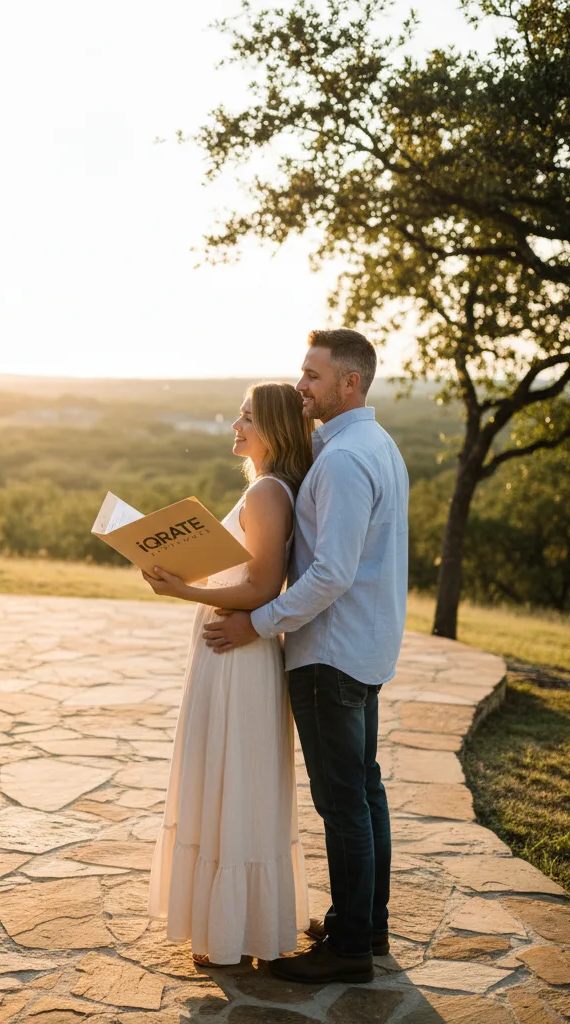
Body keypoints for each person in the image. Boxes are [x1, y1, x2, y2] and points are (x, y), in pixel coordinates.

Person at [203, 329, 410, 985]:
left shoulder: (346, 461)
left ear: (349, 383)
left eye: (313, 376)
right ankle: (364, 921)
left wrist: (257, 624)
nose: (301, 387)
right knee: (365, 792)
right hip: (364, 646)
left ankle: (350, 949)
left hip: (331, 651)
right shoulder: (370, 445)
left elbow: (331, 575)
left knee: (343, 800)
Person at [144, 380, 313, 966]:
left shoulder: (268, 492)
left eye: (246, 418)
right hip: (227, 648)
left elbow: (264, 586)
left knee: (235, 779)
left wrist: (180, 589)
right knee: (226, 777)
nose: (235, 426)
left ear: (273, 428)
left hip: (240, 656)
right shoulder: (266, 489)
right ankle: (234, 926)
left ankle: (235, 932)